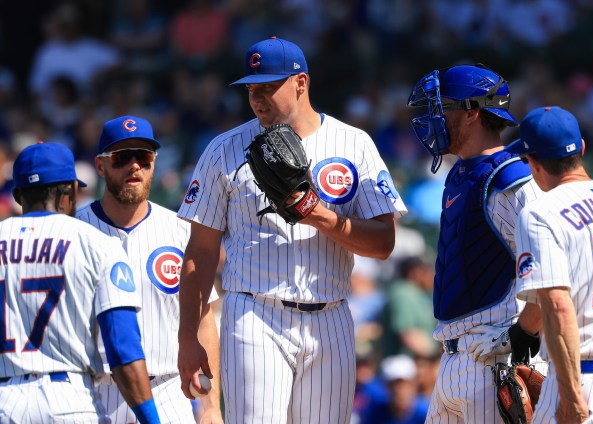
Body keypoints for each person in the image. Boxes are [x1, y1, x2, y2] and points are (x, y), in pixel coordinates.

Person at [177, 36, 407, 423]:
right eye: (252, 89)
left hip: (330, 314)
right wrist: (187, 337)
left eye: (269, 86)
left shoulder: (354, 144)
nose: (258, 98)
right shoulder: (224, 149)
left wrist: (319, 214)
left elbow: (383, 244)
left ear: (301, 82)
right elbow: (200, 251)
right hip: (255, 311)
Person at [406, 64, 545, 422]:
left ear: (471, 113)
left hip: (493, 357)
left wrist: (522, 333)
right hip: (452, 358)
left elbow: (553, 264)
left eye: (443, 106)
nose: (434, 116)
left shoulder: (509, 179)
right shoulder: (460, 172)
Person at [74, 116, 222, 423]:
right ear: (100, 166)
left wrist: (210, 408)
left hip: (167, 389)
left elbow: (204, 318)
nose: (134, 166)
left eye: (143, 157)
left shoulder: (180, 230)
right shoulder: (74, 229)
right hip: (95, 392)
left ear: (153, 163)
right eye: (121, 157)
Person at [0, 142, 159, 423]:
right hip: (69, 400)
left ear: (17, 195)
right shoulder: (97, 243)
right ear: (70, 191)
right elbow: (122, 349)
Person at [507, 106, 593, 423]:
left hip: (581, 380)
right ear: (582, 148)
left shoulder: (541, 213)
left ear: (533, 162)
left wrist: (571, 397)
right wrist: (525, 331)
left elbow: (557, 305)